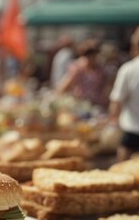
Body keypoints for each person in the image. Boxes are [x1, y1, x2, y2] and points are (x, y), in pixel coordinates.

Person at [109, 29, 139, 161]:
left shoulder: (128, 69)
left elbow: (116, 102)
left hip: (131, 132)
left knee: (124, 173)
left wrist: (112, 123)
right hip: (131, 132)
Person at [57, 40, 107, 107]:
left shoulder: (99, 69)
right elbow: (62, 88)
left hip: (97, 105)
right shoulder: (78, 69)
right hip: (81, 105)